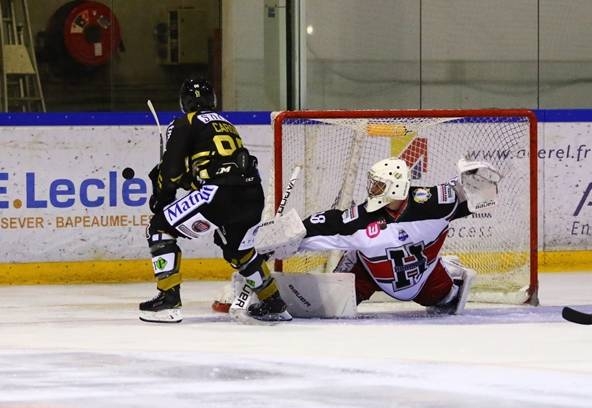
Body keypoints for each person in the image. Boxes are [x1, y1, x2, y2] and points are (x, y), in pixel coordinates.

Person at [252, 157, 503, 314]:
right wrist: (281, 239)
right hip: (370, 272)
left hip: (423, 276)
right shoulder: (360, 219)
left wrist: (473, 183)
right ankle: (353, 266)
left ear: (395, 187)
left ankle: (449, 268)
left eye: (378, 185)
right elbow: (319, 227)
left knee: (448, 300)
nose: (372, 189)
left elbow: (480, 197)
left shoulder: (434, 203)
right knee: (337, 305)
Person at [139, 78, 291, 323]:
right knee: (238, 251)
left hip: (220, 193)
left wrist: (162, 197)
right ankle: (273, 302)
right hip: (252, 195)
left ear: (183, 103)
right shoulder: (225, 124)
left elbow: (171, 172)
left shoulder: (185, 122)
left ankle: (168, 300)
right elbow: (210, 169)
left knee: (159, 227)